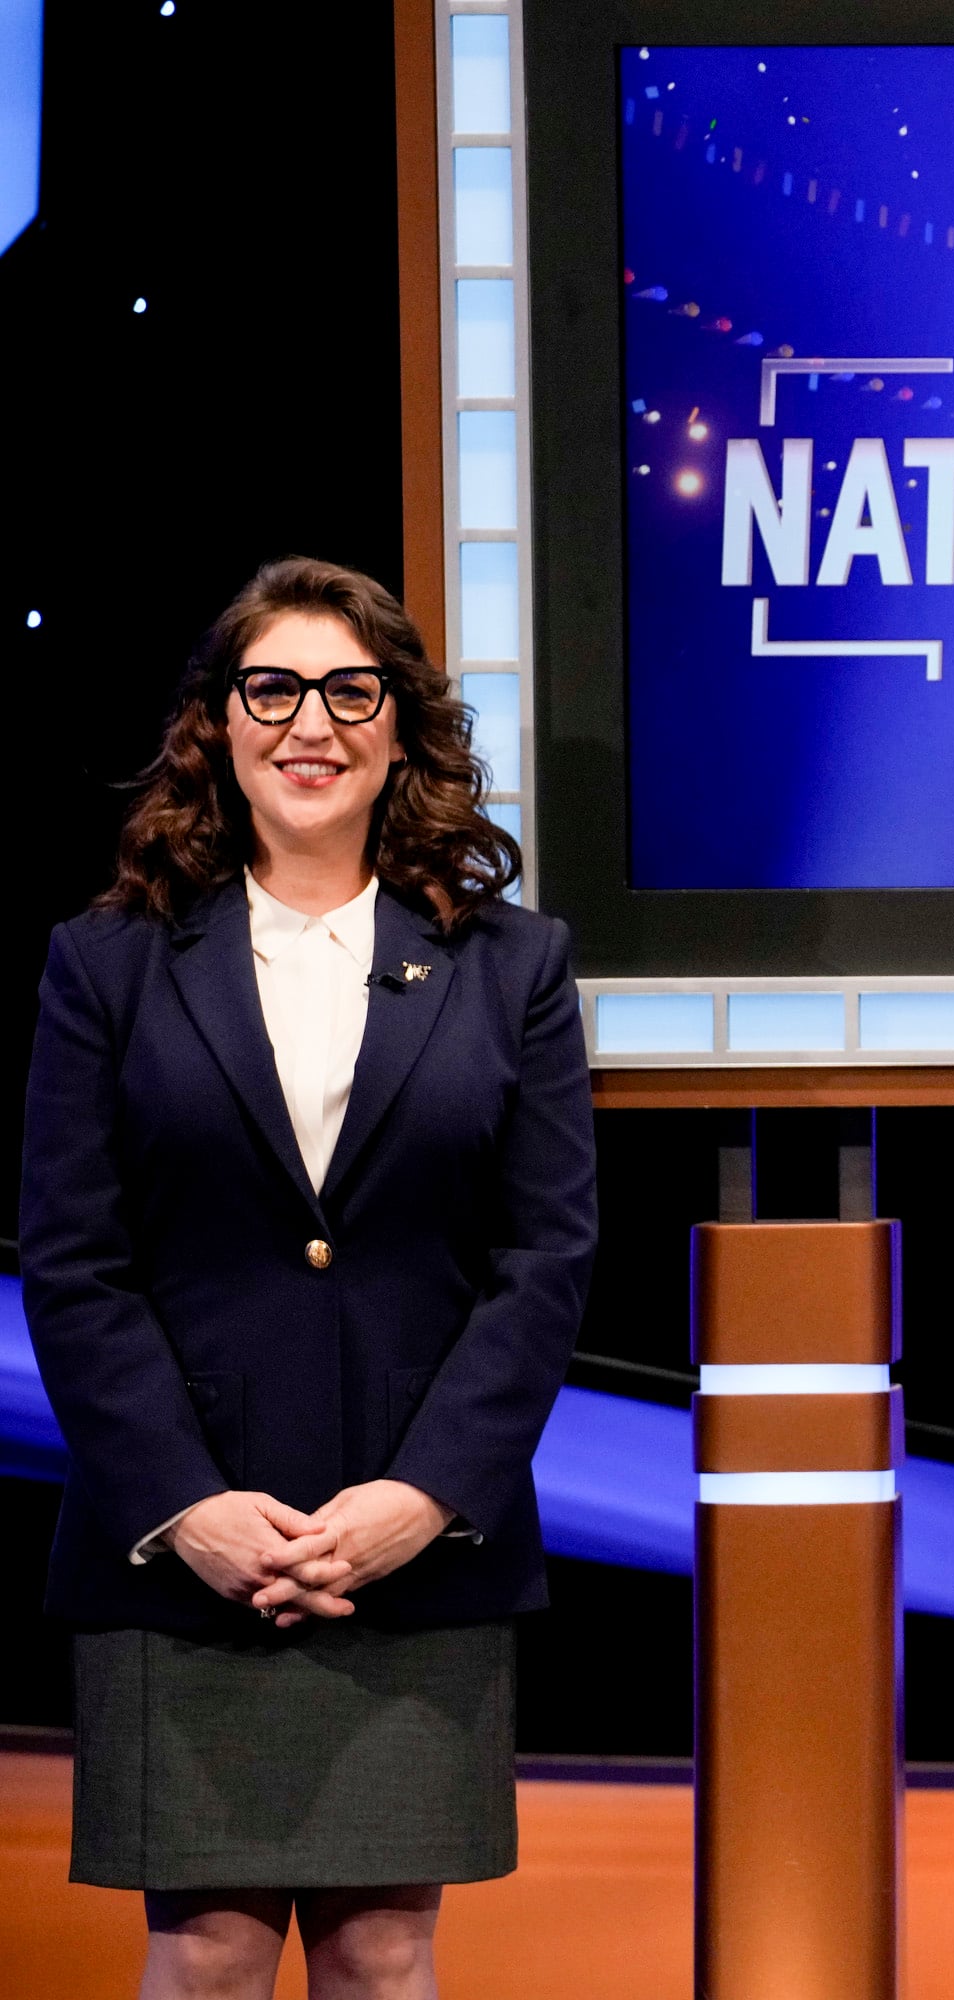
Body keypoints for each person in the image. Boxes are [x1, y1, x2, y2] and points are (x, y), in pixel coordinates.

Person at [18, 558, 596, 1998]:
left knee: (384, 1954)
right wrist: (185, 1509)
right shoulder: (107, 965)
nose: (311, 724)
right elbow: (76, 1265)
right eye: (272, 689)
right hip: (185, 1549)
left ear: (403, 728)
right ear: (218, 724)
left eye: (351, 690)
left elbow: (543, 1259)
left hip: (416, 1552)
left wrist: (427, 1497)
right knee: (205, 1953)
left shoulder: (512, 966)